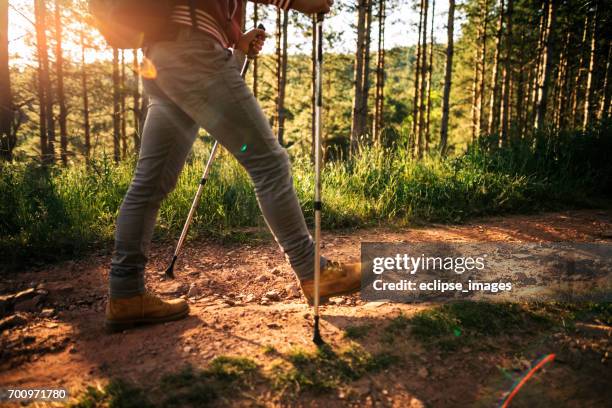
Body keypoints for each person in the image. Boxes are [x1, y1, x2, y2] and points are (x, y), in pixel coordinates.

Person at [105, 0, 361, 332]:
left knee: (150, 184)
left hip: (163, 56)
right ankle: (314, 273)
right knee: (269, 164)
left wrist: (236, 44)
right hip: (192, 53)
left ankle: (125, 294)